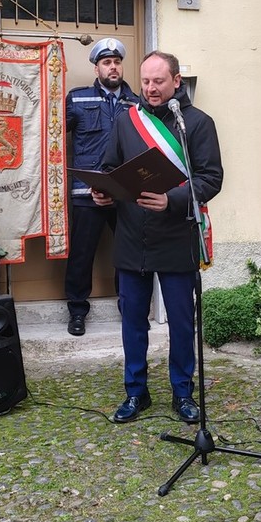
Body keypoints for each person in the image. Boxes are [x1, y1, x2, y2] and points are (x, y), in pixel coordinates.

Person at [93, 50, 222, 424]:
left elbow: (211, 178)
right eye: (146, 81)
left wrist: (172, 199)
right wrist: (103, 192)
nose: (150, 88)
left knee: (181, 321)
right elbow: (109, 167)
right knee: (132, 320)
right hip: (132, 235)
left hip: (177, 234)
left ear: (176, 81)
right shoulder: (126, 121)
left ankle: (182, 392)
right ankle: (136, 391)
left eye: (159, 81)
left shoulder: (197, 123)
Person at [64, 38, 140, 336]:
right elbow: (51, 134)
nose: (113, 67)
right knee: (81, 255)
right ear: (97, 68)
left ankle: (129, 308)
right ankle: (77, 311)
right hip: (87, 191)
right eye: (107, 62)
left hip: (125, 193)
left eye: (117, 62)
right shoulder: (77, 99)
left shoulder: (136, 103)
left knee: (128, 254)